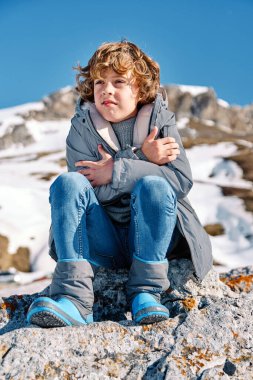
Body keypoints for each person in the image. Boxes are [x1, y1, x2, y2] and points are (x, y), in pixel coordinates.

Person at [27, 41, 212, 327]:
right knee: (67, 184)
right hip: (106, 242)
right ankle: (75, 300)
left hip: (156, 237)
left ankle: (147, 292)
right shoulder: (82, 128)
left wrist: (117, 168)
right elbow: (89, 187)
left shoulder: (160, 120)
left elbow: (179, 181)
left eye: (119, 81)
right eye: (99, 81)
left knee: (155, 187)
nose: (106, 89)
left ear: (140, 89)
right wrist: (144, 160)